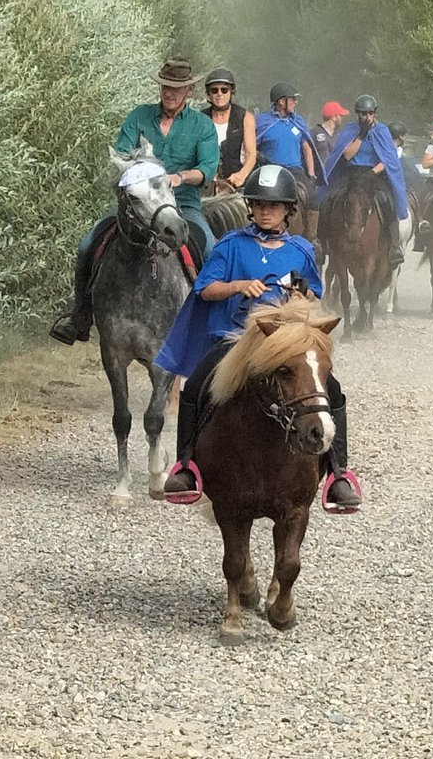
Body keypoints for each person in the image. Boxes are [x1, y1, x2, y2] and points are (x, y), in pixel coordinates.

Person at [156, 164, 361, 510]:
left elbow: (313, 293)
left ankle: (338, 472)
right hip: (236, 337)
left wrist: (302, 296)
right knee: (195, 386)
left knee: (333, 389)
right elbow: (205, 290)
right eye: (260, 205)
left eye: (274, 206)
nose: (267, 212)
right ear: (251, 207)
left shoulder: (301, 250)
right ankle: (187, 466)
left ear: (287, 210)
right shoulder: (231, 246)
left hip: (287, 341)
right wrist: (238, 286)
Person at [49, 57, 219, 345]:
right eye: (165, 86)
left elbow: (206, 170)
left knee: (212, 248)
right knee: (87, 244)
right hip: (137, 208)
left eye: (177, 88)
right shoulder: (139, 117)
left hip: (182, 205)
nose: (169, 93)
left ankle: (210, 323)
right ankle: (80, 317)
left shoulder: (202, 125)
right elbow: (122, 155)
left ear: (189, 90)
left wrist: (178, 177)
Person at [323, 94, 406, 269]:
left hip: (374, 174)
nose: (366, 117)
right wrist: (361, 135)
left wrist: (373, 172)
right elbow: (346, 155)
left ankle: (394, 247)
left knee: (387, 200)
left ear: (374, 113)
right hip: (352, 174)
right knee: (330, 198)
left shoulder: (383, 131)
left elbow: (389, 160)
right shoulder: (351, 130)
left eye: (369, 113)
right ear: (357, 113)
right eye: (362, 113)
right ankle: (322, 241)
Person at [255, 82, 326, 244]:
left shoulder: (298, 121)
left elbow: (307, 147)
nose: (295, 102)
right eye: (292, 99)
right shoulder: (262, 121)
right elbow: (251, 146)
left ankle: (312, 238)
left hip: (295, 171)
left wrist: (311, 174)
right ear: (281, 101)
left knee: (313, 198)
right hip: (271, 170)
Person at [201, 67, 256, 188]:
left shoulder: (245, 117)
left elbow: (251, 154)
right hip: (206, 185)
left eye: (224, 90)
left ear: (231, 92)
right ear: (208, 94)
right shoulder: (200, 118)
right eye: (214, 90)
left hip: (237, 185)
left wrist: (241, 175)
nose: (219, 94)